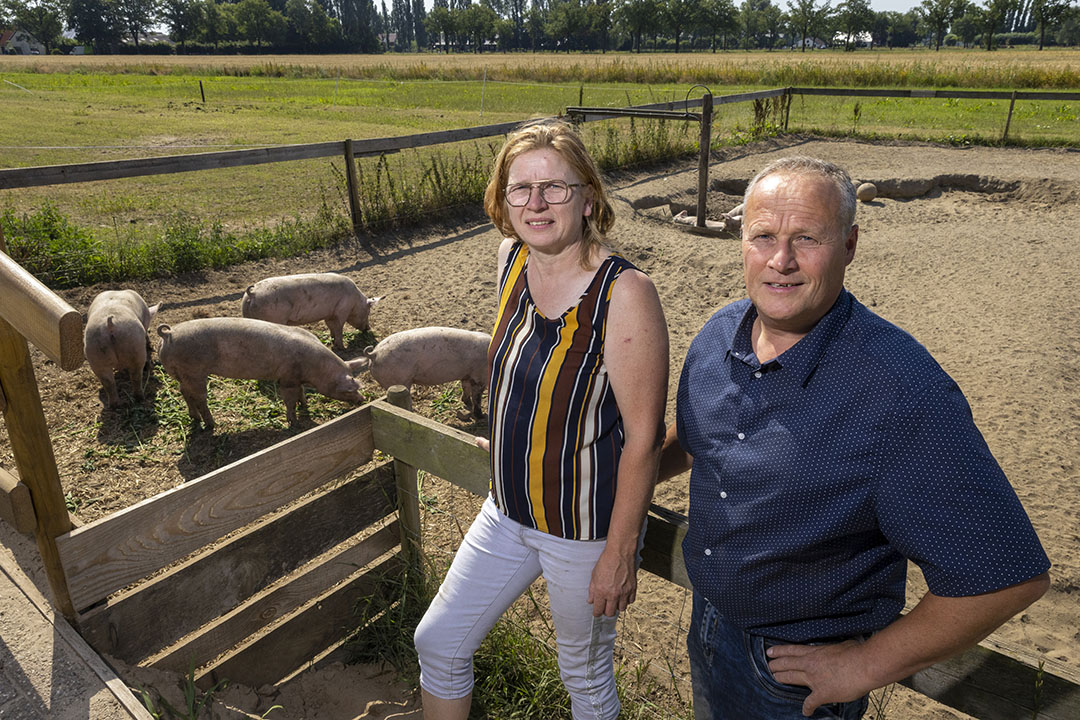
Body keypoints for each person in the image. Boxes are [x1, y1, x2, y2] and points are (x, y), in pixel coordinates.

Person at [659, 155, 1051, 719]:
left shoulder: (900, 393)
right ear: (741, 240)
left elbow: (1006, 577)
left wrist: (863, 666)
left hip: (792, 681)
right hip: (709, 627)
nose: (782, 260)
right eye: (763, 236)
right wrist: (617, 480)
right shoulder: (720, 333)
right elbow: (699, 439)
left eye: (807, 238)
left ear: (849, 244)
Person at [414, 119, 669, 720]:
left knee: (583, 679)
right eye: (520, 188)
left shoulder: (624, 294)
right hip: (505, 510)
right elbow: (517, 374)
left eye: (555, 187)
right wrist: (506, 441)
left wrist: (621, 550)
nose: (536, 203)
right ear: (503, 199)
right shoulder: (510, 260)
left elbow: (644, 438)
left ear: (587, 196)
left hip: (579, 530)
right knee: (439, 641)